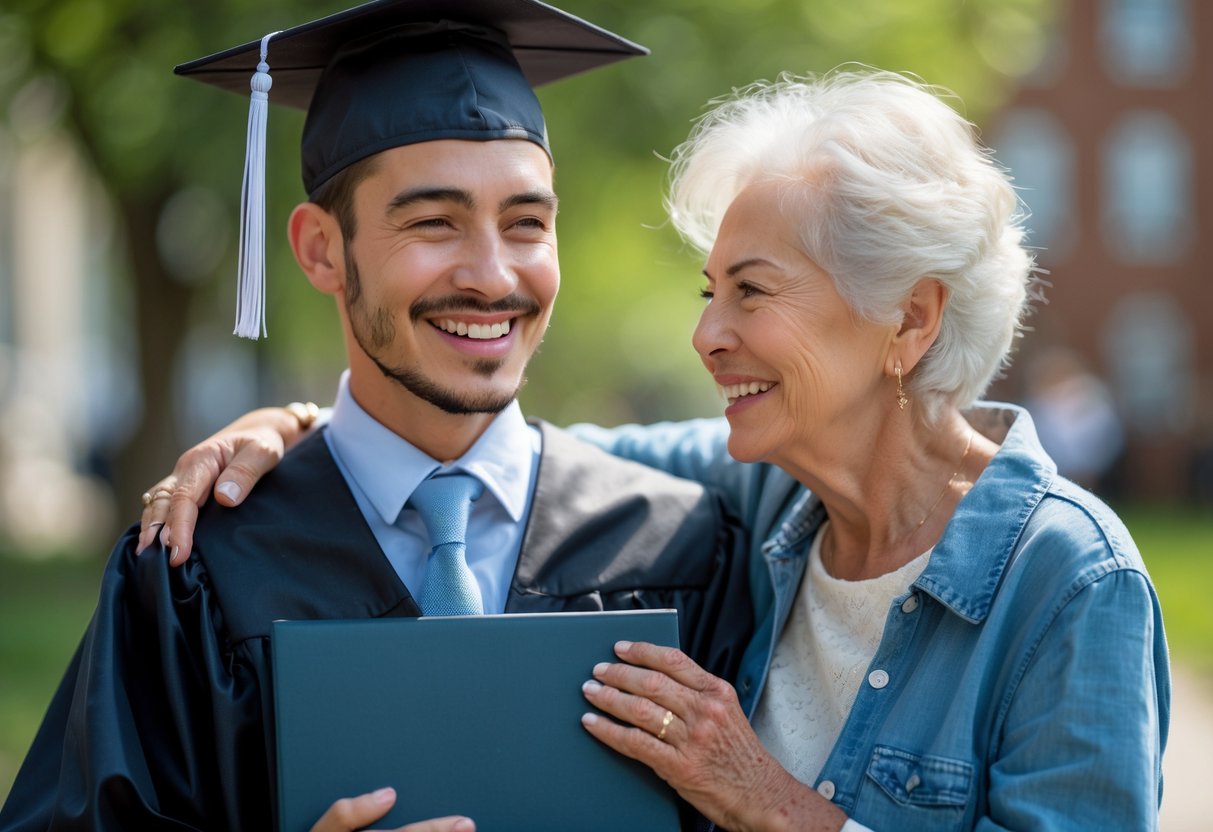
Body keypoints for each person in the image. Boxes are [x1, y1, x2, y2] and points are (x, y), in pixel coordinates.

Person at [141, 70, 1171, 830]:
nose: (706, 334)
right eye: (707, 291)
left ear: (907, 321)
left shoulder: (1068, 581)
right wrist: (296, 427)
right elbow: (500, 454)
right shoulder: (762, 495)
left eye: (752, 292)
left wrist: (768, 802)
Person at [0, 2, 754, 830]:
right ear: (322, 249)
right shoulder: (197, 568)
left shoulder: (679, 541)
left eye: (526, 223)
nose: (491, 275)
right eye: (434, 222)